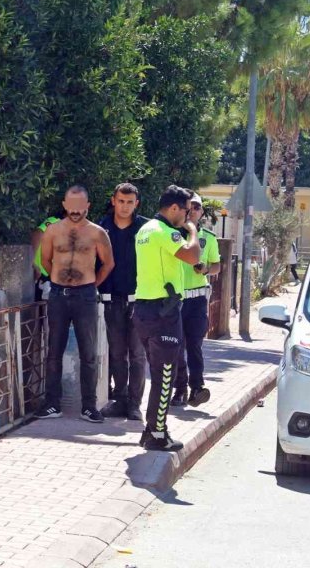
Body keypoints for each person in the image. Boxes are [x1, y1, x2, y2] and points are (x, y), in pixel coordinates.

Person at [35, 185, 114, 423]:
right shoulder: (52, 231)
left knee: (88, 353)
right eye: (72, 207)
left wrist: (91, 285)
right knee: (53, 352)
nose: (76, 211)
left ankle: (88, 406)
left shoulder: (97, 232)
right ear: (64, 205)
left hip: (86, 296)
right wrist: (59, 280)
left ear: (88, 206)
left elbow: (108, 263)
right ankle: (52, 404)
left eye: (81, 207)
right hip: (59, 295)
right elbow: (45, 260)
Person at [133, 185, 201, 451]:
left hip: (144, 310)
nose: (188, 216)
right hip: (163, 312)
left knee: (159, 372)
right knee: (165, 377)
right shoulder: (166, 232)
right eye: (186, 211)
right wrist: (193, 230)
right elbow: (193, 255)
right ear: (174, 208)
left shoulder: (145, 230)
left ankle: (151, 429)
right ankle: (158, 434)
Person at [98, 183, 148, 421]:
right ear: (113, 200)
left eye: (130, 202)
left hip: (140, 300)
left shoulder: (147, 229)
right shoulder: (101, 227)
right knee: (117, 353)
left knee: (137, 354)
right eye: (121, 201)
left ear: (136, 203)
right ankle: (119, 399)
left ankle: (135, 404)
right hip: (111, 300)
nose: (125, 206)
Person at [171, 194, 221, 407]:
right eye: (189, 207)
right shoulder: (172, 236)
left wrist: (207, 269)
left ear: (202, 212)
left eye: (197, 207)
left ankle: (197, 388)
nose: (192, 210)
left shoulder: (208, 238)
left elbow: (217, 265)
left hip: (198, 299)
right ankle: (180, 387)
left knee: (195, 345)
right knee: (176, 346)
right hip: (176, 299)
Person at [31, 215, 60, 301]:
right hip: (42, 275)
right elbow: (38, 233)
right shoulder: (55, 221)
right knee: (38, 310)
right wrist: (32, 262)